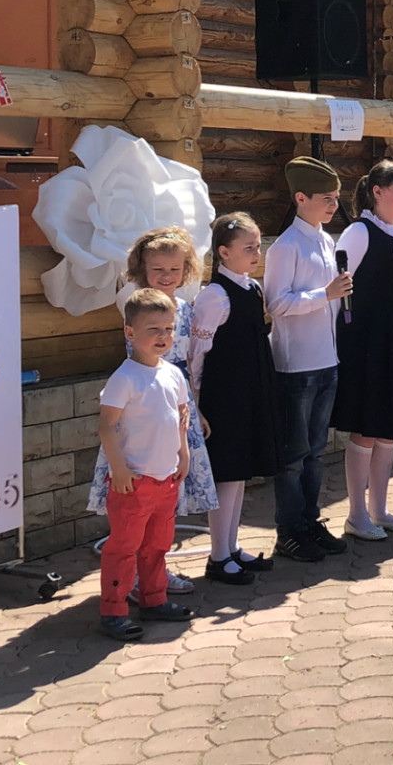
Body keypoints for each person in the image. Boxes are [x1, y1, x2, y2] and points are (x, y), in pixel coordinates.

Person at [87, 226, 218, 597]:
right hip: (144, 412)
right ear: (142, 269)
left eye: (174, 269)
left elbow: (186, 363)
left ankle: (154, 574)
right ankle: (130, 578)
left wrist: (196, 407)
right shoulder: (138, 307)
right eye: (158, 269)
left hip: (176, 404)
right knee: (138, 502)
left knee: (166, 501)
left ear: (185, 270)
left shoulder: (186, 310)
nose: (166, 276)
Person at [263, 157, 352, 562]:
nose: (334, 205)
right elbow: (276, 304)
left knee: (316, 452)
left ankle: (309, 520)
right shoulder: (285, 247)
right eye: (326, 198)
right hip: (296, 365)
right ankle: (289, 530)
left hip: (326, 361)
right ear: (301, 198)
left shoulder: (326, 241)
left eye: (336, 198)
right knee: (294, 456)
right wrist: (325, 295)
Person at [97, 288, 196, 641]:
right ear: (130, 332)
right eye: (153, 329)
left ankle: (154, 599)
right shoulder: (124, 379)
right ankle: (113, 610)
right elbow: (107, 426)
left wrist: (183, 454)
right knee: (124, 548)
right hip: (134, 483)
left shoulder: (173, 374)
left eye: (168, 329)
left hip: (166, 481)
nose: (163, 336)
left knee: (157, 545)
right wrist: (119, 469)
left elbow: (181, 417)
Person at [190, 212, 282, 583]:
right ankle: (217, 556)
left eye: (258, 247)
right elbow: (198, 352)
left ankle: (231, 547)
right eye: (248, 248)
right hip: (223, 394)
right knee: (226, 473)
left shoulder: (252, 288)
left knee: (240, 472)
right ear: (224, 252)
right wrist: (196, 399)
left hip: (250, 388)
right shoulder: (213, 296)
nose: (256, 254)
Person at [332, 160, 393, 540]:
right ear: (377, 192)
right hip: (365, 344)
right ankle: (356, 516)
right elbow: (337, 291)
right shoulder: (358, 232)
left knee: (388, 431)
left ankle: (379, 511)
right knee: (366, 430)